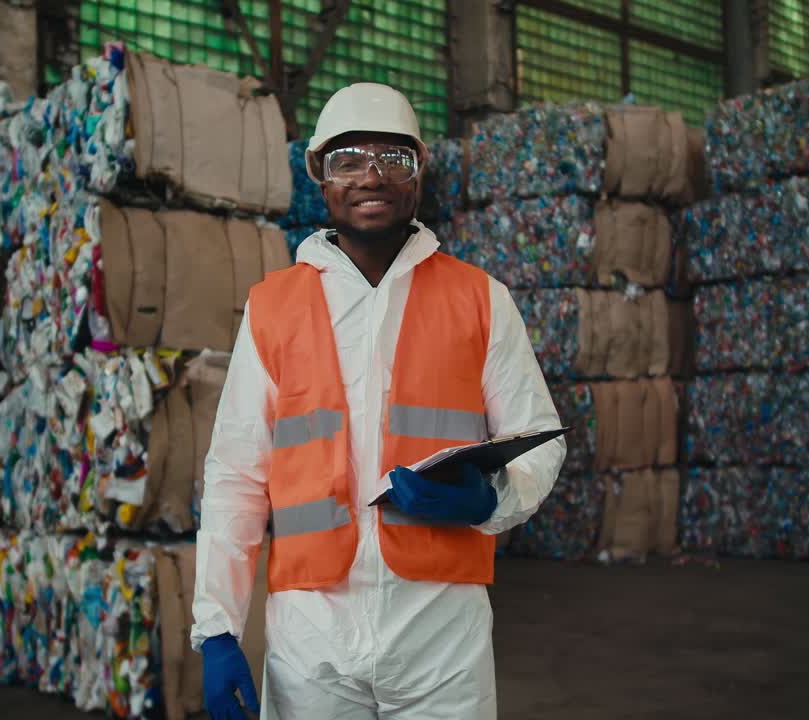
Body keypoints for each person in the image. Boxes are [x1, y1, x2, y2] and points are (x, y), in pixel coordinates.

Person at [191, 82, 566, 720]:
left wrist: (491, 499)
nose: (372, 175)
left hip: (440, 634)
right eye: (348, 159)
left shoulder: (480, 300)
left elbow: (540, 437)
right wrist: (218, 629)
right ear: (320, 177)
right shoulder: (273, 307)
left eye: (394, 158)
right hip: (314, 640)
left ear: (418, 174)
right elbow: (236, 475)